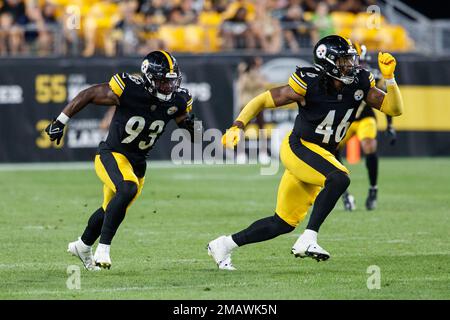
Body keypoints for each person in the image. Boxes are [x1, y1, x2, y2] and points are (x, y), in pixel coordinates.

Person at [207, 35, 403, 270]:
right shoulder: (309, 82)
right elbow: (262, 100)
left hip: (321, 154)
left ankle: (223, 245)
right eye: (343, 61)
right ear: (328, 63)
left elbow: (394, 109)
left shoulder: (359, 82)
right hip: (299, 147)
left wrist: (390, 79)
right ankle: (308, 238)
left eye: (350, 60)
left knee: (282, 223)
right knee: (339, 177)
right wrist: (238, 125)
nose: (350, 65)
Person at [45, 50, 198, 270]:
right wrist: (60, 120)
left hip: (138, 163)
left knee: (111, 208)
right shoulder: (129, 88)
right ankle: (103, 248)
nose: (168, 87)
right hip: (112, 154)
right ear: (148, 77)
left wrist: (194, 127)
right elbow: (89, 94)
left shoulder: (179, 99)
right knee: (127, 189)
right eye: (163, 81)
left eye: (171, 82)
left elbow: (192, 130)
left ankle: (82, 245)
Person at [337, 42, 397, 211]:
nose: (349, 63)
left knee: (369, 145)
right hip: (344, 120)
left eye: (352, 59)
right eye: (346, 59)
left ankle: (373, 188)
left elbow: (385, 101)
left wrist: (390, 125)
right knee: (331, 149)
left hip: (364, 118)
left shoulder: (371, 74)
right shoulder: (335, 74)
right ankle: (344, 193)